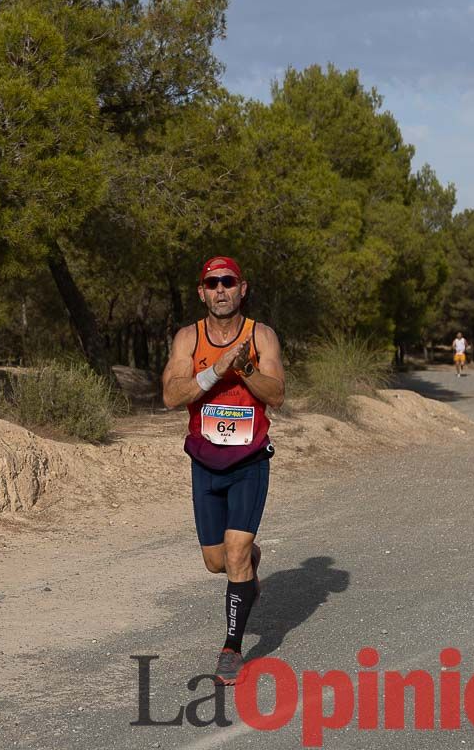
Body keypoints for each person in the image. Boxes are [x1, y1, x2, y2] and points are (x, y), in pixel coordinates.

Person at [161, 256, 286, 685]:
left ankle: (231, 649)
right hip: (205, 461)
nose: (220, 290)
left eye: (228, 282)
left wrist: (245, 366)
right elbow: (172, 396)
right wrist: (216, 370)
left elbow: (278, 394)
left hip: (249, 461)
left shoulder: (261, 336)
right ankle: (247, 562)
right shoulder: (187, 339)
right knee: (217, 562)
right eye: (212, 283)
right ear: (201, 292)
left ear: (242, 288)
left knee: (233, 553)